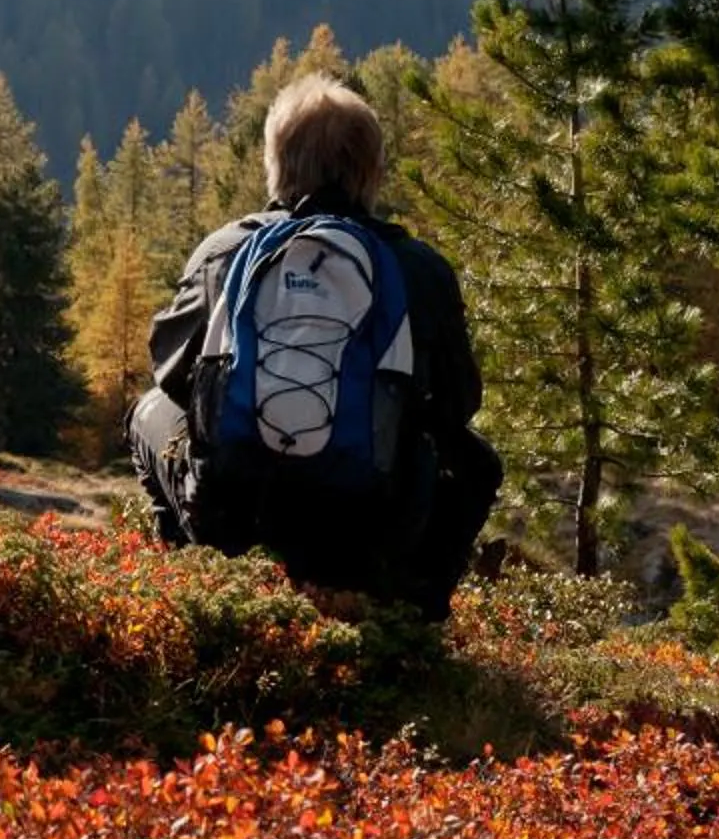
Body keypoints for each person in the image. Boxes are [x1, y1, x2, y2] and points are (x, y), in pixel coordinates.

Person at [128, 73, 501, 618]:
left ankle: (192, 587)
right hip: (368, 527)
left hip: (234, 517)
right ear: (369, 169)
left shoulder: (225, 252)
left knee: (147, 412)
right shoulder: (418, 269)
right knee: (478, 463)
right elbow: (457, 403)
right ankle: (410, 615)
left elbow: (171, 372)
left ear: (277, 161)